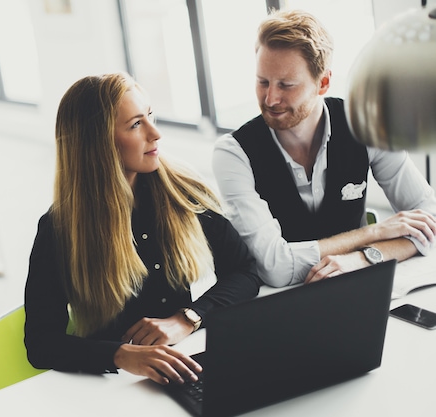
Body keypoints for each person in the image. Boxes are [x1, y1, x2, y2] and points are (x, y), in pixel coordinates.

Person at [24, 72, 261, 386]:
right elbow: (41, 344)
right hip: (111, 385)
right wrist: (120, 354)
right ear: (98, 143)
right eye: (136, 124)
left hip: (185, 364)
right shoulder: (60, 227)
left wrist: (188, 318)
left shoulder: (183, 192)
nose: (156, 133)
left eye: (151, 116)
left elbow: (245, 271)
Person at [212, 9, 436, 288]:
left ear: (324, 83)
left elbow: (430, 217)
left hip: (356, 289)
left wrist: (365, 258)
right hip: (275, 304)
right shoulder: (233, 153)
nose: (270, 98)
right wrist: (373, 233)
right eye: (263, 82)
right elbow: (276, 268)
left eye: (286, 85)